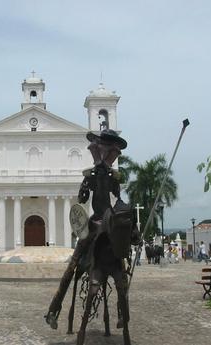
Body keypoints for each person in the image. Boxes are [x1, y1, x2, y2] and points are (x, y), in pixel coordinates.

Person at [45, 129, 137, 329]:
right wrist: (85, 187)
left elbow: (118, 199)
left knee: (121, 266)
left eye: (109, 148)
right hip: (94, 221)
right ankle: (53, 309)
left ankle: (123, 313)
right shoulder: (91, 176)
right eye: (105, 147)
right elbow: (82, 200)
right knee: (73, 265)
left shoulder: (113, 177)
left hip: (108, 221)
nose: (106, 152)